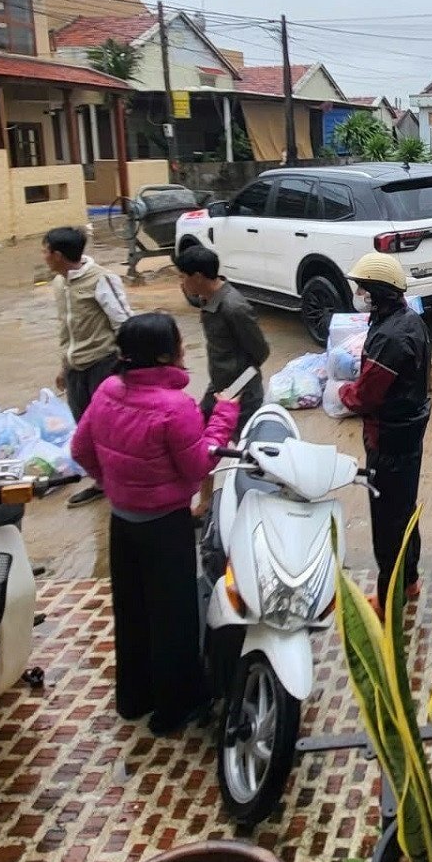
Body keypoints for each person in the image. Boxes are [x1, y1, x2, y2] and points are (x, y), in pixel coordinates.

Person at [68, 313, 240, 733]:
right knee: (174, 616)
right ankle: (176, 709)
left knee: (133, 611)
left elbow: (80, 448)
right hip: (164, 526)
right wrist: (223, 418)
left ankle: (134, 697)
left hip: (122, 523)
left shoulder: (109, 390)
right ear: (165, 353)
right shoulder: (175, 407)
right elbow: (199, 462)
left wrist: (114, 485)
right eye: (179, 343)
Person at [338, 253, 432, 610]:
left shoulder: (390, 337)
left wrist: (340, 392)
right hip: (409, 430)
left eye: (363, 289)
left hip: (388, 438)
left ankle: (389, 598)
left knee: (387, 521)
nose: (358, 294)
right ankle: (410, 581)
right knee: (404, 509)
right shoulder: (409, 319)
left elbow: (365, 395)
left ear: (378, 293)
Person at [45, 225, 132, 505]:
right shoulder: (60, 283)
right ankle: (102, 480)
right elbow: (65, 329)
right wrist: (64, 365)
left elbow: (124, 323)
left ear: (57, 254)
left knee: (109, 426)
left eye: (46, 252)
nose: (44, 257)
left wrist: (129, 366)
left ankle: (121, 479)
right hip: (76, 368)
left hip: (103, 364)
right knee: (84, 426)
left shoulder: (101, 279)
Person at [174, 240, 270, 421]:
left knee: (239, 443)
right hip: (219, 385)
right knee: (198, 427)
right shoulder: (207, 299)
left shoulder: (234, 308)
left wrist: (233, 391)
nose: (181, 283)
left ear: (197, 277)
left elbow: (261, 352)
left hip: (240, 394)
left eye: (182, 277)